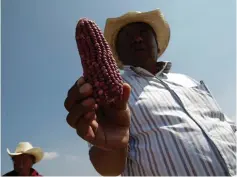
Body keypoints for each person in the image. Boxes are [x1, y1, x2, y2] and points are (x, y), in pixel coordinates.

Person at [64, 9, 236, 176]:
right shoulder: (111, 92)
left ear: (156, 42)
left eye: (144, 33)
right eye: (127, 36)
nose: (137, 39)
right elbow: (108, 169)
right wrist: (113, 148)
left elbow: (225, 124)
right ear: (115, 51)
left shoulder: (188, 80)